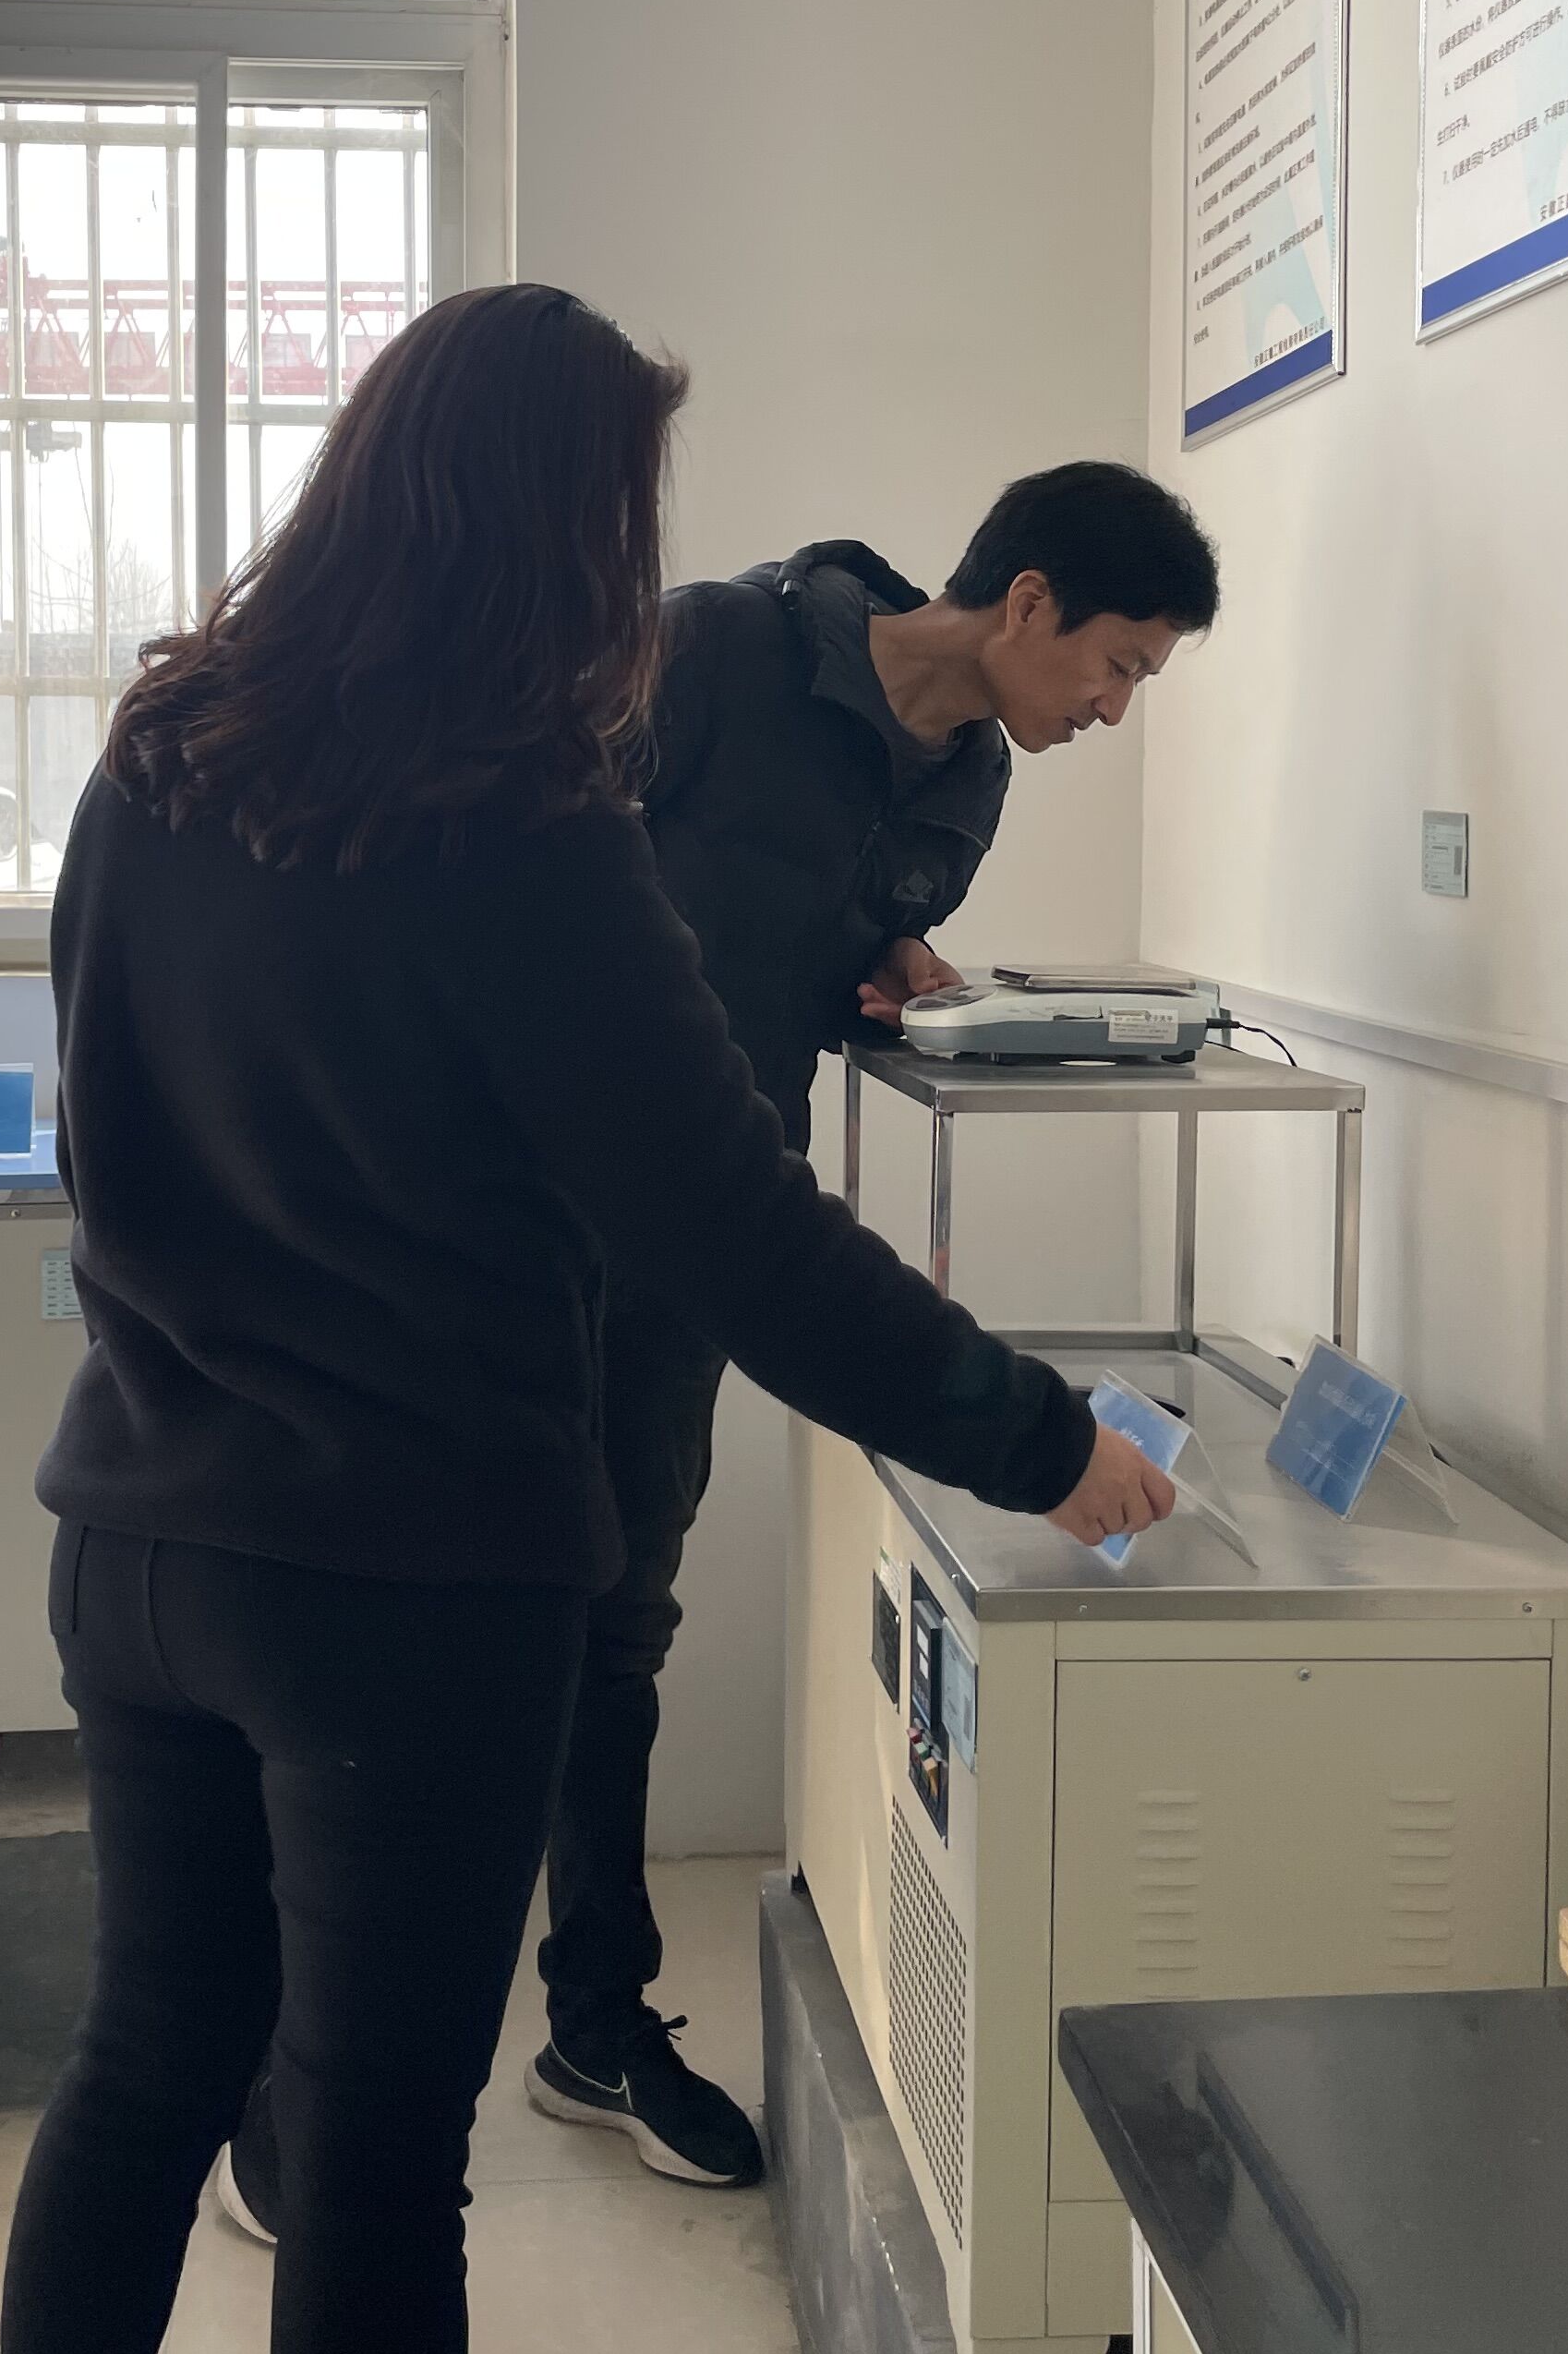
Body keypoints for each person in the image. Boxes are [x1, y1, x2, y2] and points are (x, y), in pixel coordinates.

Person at [0, 284, 1176, 2354]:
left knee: (145, 2067)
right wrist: (1036, 1433)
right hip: (407, 1583)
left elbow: (92, 1126)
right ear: (557, 524)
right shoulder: (520, 826)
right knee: (375, 2156)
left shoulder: (161, 758)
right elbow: (733, 1234)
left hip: (144, 1531)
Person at [218, 462, 1220, 2228]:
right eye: (1119, 665)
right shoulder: (709, 655)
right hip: (501, 1240)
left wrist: (889, 959)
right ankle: (297, 2080)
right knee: (419, 1648)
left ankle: (595, 2030)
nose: (1116, 710)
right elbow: (514, 895)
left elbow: (799, 954)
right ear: (1029, 602)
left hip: (698, 1251)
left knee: (618, 1630)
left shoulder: (970, 781)